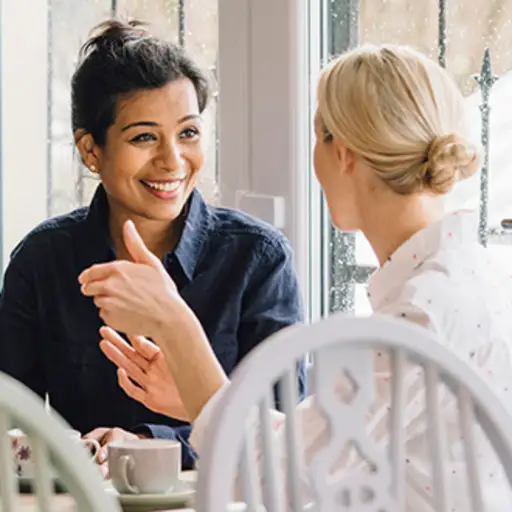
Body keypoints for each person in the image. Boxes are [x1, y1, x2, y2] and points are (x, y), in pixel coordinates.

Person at [80, 43, 512, 509]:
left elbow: (280, 481)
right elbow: (318, 451)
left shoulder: (417, 315)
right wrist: (194, 394)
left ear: (342, 152)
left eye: (316, 136)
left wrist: (174, 323)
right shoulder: (466, 280)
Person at [0, 19, 306, 473]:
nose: (173, 160)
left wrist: (147, 443)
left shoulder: (257, 258)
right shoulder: (43, 261)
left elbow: (286, 432)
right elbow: (10, 421)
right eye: (144, 137)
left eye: (188, 133)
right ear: (91, 150)